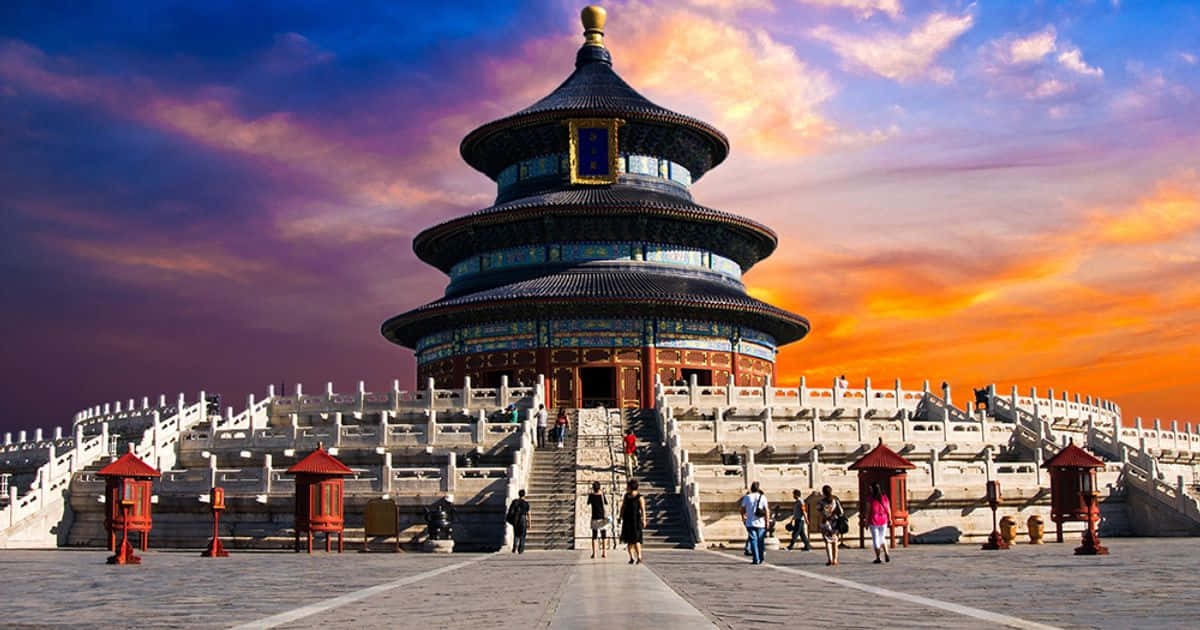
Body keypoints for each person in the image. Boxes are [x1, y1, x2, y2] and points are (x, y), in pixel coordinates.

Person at [739, 481, 769, 565]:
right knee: (760, 541)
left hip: (750, 522)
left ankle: (756, 559)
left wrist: (743, 518)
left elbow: (742, 510)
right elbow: (766, 511)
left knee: (753, 540)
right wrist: (767, 522)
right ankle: (761, 558)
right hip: (761, 523)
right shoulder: (763, 497)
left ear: (751, 488)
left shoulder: (747, 497)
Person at [620, 479, 646, 564]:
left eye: (628, 486)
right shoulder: (626, 496)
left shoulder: (640, 497)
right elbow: (623, 506)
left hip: (636, 520)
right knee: (629, 540)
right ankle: (631, 557)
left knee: (636, 539)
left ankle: (639, 556)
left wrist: (644, 519)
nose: (627, 488)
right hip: (627, 519)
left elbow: (643, 509)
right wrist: (620, 516)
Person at [818, 485, 844, 566]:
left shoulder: (821, 502)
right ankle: (835, 559)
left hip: (825, 522)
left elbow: (819, 511)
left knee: (827, 541)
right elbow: (841, 512)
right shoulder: (835, 500)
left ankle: (830, 559)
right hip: (834, 522)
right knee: (835, 541)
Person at [867, 482, 892, 564]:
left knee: (876, 539)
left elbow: (868, 511)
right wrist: (890, 519)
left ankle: (878, 557)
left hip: (873, 520)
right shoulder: (884, 497)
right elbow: (888, 509)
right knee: (882, 537)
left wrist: (866, 521)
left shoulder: (870, 498)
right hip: (883, 519)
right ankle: (886, 553)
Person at [587, 481, 608, 559]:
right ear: (599, 487)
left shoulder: (591, 496)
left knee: (594, 536)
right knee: (604, 535)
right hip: (602, 517)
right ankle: (604, 552)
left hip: (594, 517)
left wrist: (590, 493)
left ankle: (594, 553)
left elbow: (588, 503)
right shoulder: (602, 495)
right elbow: (606, 503)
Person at [506, 489, 531, 554]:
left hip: (516, 519)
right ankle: (521, 549)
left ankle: (514, 547)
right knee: (522, 535)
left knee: (516, 534)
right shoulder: (526, 503)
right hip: (523, 519)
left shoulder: (515, 502)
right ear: (524, 495)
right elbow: (528, 514)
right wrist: (529, 523)